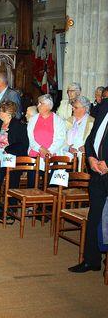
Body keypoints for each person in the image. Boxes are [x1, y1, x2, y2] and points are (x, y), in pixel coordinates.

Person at [69, 98, 108, 273]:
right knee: (94, 217)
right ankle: (91, 260)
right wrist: (91, 157)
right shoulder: (104, 107)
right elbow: (91, 138)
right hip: (97, 173)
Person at [0, 101, 29, 217]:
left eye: (1, 111)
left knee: (13, 177)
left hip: (11, 157)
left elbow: (23, 144)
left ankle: (11, 207)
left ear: (8, 113)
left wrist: (8, 149)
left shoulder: (19, 126)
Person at [27, 94, 66, 177]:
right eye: (38, 103)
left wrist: (48, 152)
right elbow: (31, 138)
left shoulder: (58, 120)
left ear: (49, 106)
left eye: (41, 103)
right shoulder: (33, 119)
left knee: (49, 187)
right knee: (32, 186)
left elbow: (60, 139)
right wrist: (40, 149)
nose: (38, 106)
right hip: (35, 155)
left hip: (52, 156)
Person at [64, 96, 94, 160]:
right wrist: (68, 148)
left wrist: (86, 147)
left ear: (84, 109)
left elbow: (95, 141)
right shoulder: (68, 121)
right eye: (73, 107)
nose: (73, 109)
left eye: (76, 107)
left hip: (82, 156)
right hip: (65, 153)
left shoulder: (92, 122)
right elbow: (60, 137)